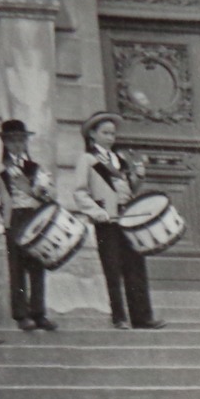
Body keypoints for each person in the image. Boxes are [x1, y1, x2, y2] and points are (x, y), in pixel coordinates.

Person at [72, 112, 165, 331]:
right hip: (106, 220)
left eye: (112, 133)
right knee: (112, 268)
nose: (110, 137)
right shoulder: (88, 160)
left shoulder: (119, 159)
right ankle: (119, 317)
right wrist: (95, 212)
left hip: (127, 218)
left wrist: (139, 177)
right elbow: (79, 192)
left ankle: (142, 317)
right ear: (93, 135)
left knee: (136, 266)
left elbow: (128, 190)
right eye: (105, 133)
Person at [0, 119, 58, 333]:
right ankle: (21, 314)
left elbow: (51, 195)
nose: (17, 145)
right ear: (5, 143)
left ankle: (39, 312)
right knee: (17, 268)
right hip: (14, 219)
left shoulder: (36, 168)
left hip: (35, 217)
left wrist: (43, 189)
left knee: (37, 265)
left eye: (21, 140)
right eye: (12, 140)